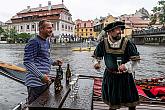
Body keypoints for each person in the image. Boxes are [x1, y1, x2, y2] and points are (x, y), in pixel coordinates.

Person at [93, 21, 140, 110]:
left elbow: (135, 60)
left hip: (125, 77)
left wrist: (126, 66)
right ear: (110, 32)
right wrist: (96, 63)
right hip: (110, 76)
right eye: (117, 29)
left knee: (131, 103)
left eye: (120, 29)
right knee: (113, 103)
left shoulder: (128, 43)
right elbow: (96, 57)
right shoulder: (103, 43)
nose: (120, 31)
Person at [23, 20, 62, 104]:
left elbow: (45, 58)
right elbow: (27, 62)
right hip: (35, 83)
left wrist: (54, 62)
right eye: (48, 28)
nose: (51, 30)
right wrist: (41, 76)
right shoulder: (34, 41)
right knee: (34, 105)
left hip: (45, 80)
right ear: (41, 29)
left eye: (51, 28)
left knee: (45, 104)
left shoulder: (47, 41)